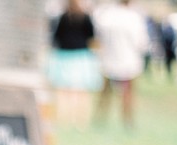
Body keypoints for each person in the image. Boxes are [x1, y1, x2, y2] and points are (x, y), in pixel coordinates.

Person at [93, 0, 150, 128]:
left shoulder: (106, 16)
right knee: (127, 94)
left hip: (108, 61)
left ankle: (100, 120)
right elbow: (141, 43)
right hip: (128, 63)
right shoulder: (134, 18)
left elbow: (99, 39)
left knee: (105, 94)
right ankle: (127, 121)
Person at [48, 0, 102, 127]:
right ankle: (80, 120)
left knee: (64, 90)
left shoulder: (64, 17)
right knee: (81, 91)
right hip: (80, 56)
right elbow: (92, 37)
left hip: (65, 56)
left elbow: (56, 37)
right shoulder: (85, 17)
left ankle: (64, 119)